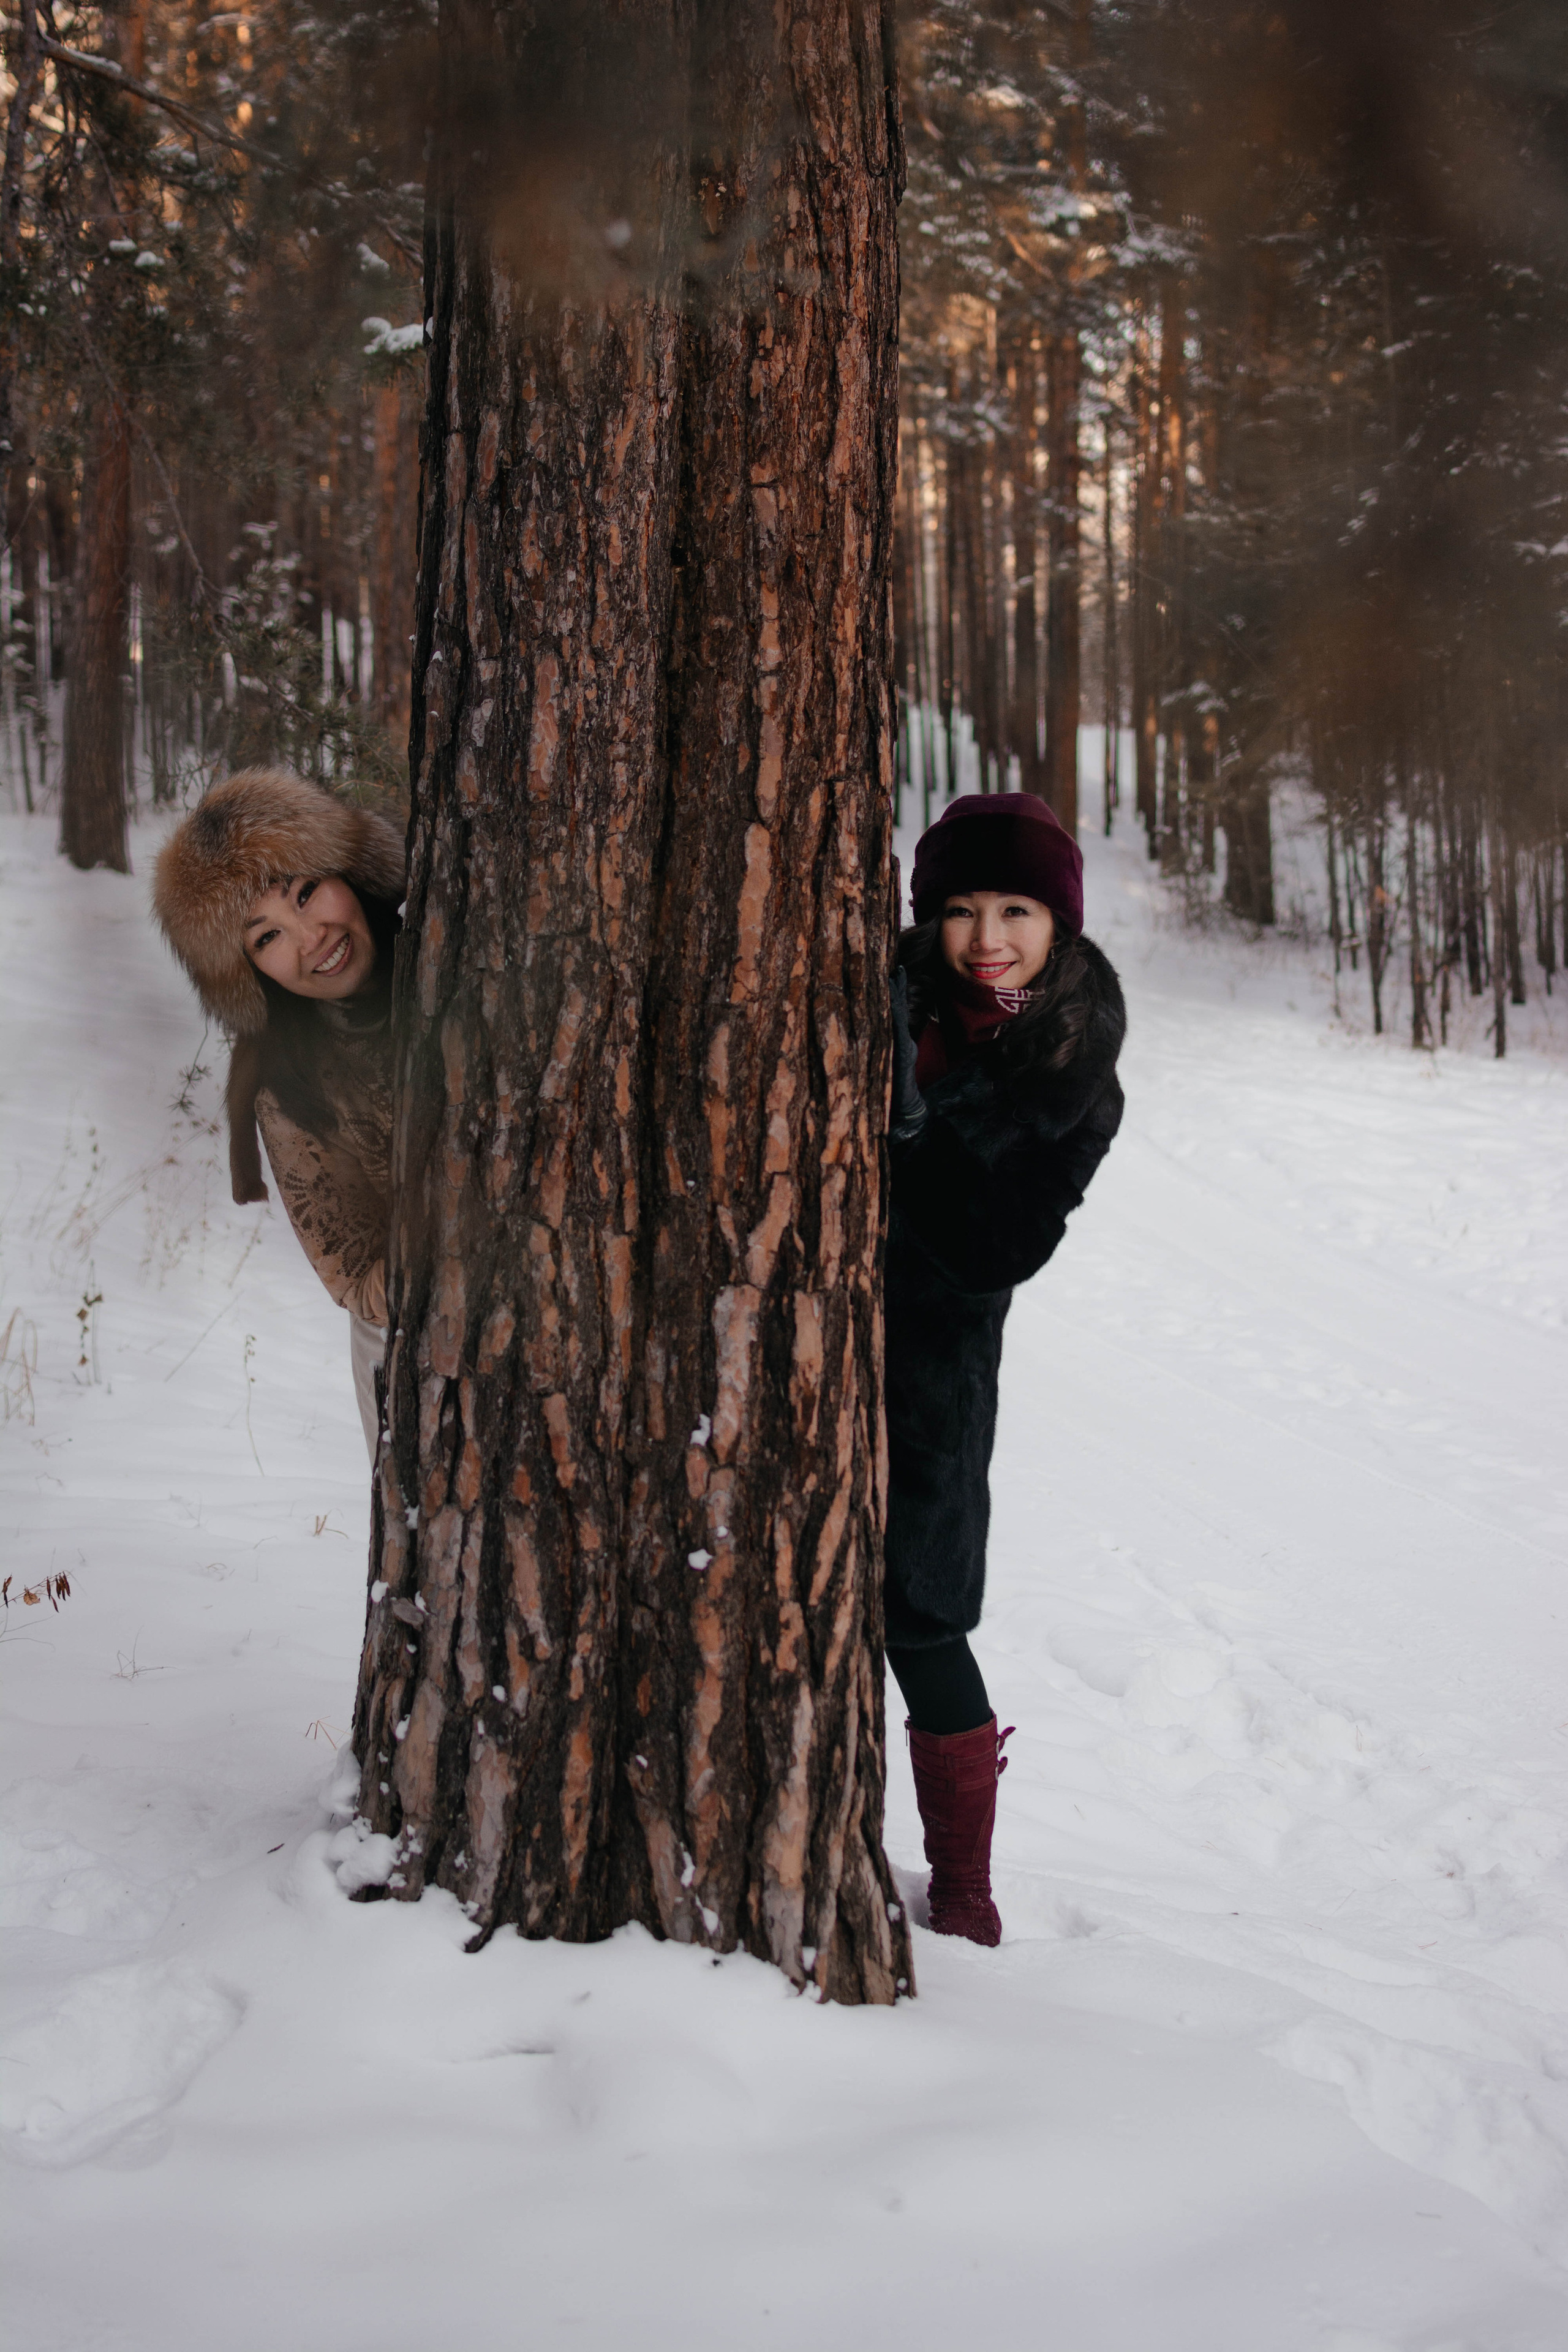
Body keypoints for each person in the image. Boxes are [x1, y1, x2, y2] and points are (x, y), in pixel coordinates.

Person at [885, 791, 1126, 1946]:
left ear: (1059, 922)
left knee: (920, 1612)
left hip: (933, 1359)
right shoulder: (885, 997)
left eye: (1017, 909)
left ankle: (964, 1881)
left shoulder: (1067, 1065)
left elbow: (1001, 1246)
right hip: (779, 1332)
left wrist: (903, 1133)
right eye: (963, 909)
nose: (988, 937)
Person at [153, 769, 405, 1461]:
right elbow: (357, 1279)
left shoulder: (460, 938)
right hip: (410, 1346)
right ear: (247, 974)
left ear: (348, 869)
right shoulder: (289, 1083)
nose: (312, 935)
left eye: (305, 892)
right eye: (266, 937)